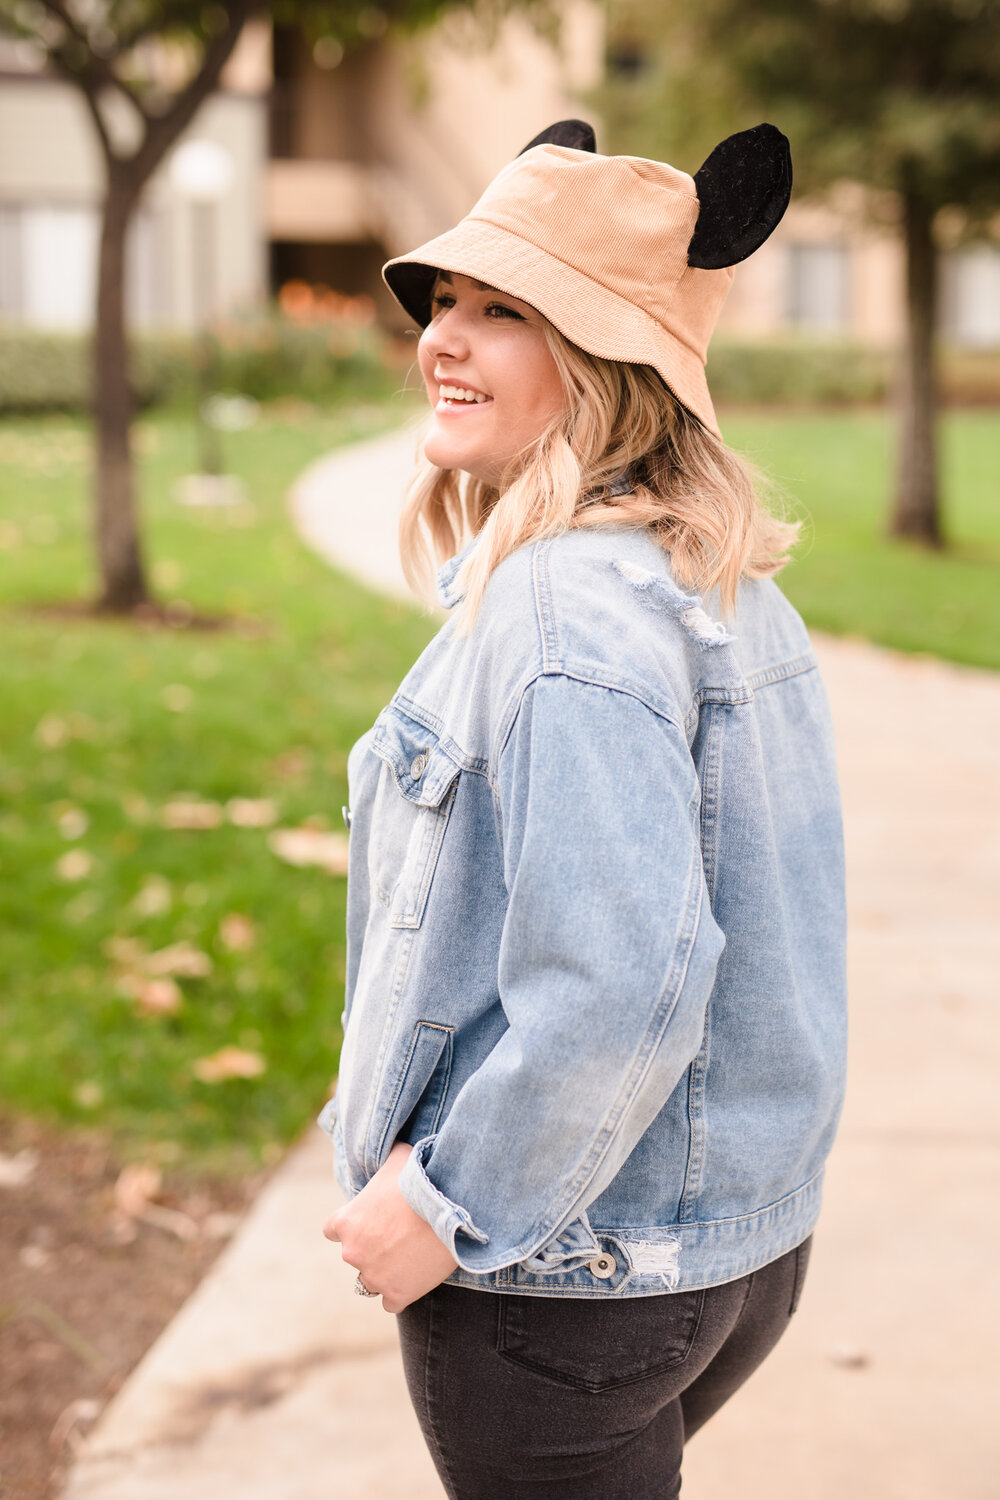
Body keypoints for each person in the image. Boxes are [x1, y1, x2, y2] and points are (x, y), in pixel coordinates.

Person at [319, 120, 847, 1499]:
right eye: (446, 300)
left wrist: (447, 1206)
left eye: (505, 312)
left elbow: (623, 981)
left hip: (563, 1275)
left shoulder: (562, 606)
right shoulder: (725, 583)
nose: (445, 336)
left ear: (608, 362)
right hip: (729, 1255)